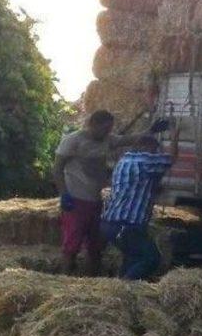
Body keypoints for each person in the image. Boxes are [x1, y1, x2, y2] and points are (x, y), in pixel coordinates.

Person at [51, 110, 167, 275]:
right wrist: (64, 193)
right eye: (105, 128)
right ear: (92, 124)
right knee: (72, 246)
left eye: (109, 129)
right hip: (75, 200)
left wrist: (151, 130)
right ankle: (64, 279)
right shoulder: (73, 140)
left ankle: (92, 281)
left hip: (95, 200)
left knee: (96, 247)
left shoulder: (107, 140)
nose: (107, 132)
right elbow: (57, 169)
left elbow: (129, 139)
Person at [101, 135, 173, 280]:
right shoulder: (143, 161)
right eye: (154, 150)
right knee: (151, 258)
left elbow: (137, 183)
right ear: (144, 147)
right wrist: (175, 138)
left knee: (132, 257)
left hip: (110, 222)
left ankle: (120, 286)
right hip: (127, 224)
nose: (154, 154)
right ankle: (125, 285)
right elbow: (170, 159)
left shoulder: (123, 161)